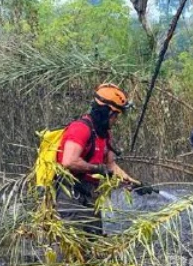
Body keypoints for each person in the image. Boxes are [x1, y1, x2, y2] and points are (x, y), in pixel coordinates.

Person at [56, 83, 153, 236]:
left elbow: (111, 166)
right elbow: (69, 161)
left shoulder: (103, 134)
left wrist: (135, 184)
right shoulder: (80, 129)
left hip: (89, 195)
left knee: (95, 240)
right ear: (106, 112)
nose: (116, 120)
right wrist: (97, 169)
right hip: (70, 194)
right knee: (73, 242)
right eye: (115, 116)